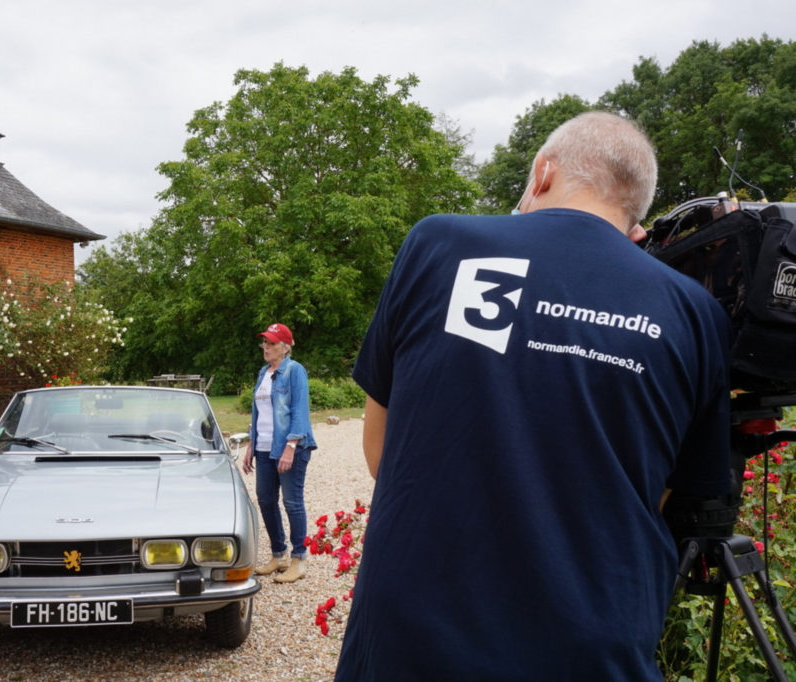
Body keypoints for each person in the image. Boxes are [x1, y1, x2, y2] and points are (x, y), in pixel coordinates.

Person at [334, 112, 733, 680]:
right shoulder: (695, 312)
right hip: (592, 650)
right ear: (636, 224)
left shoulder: (440, 243)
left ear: (542, 174)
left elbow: (382, 451)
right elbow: (665, 495)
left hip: (413, 640)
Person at [241, 323, 318, 583]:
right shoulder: (264, 372)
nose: (266, 347)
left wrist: (291, 447)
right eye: (265, 342)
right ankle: (278, 555)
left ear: (285, 347)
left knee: (292, 502)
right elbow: (259, 413)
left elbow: (299, 410)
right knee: (265, 500)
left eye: (272, 343)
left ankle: (299, 559)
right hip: (263, 448)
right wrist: (251, 444)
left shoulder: (295, 371)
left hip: (288, 448)